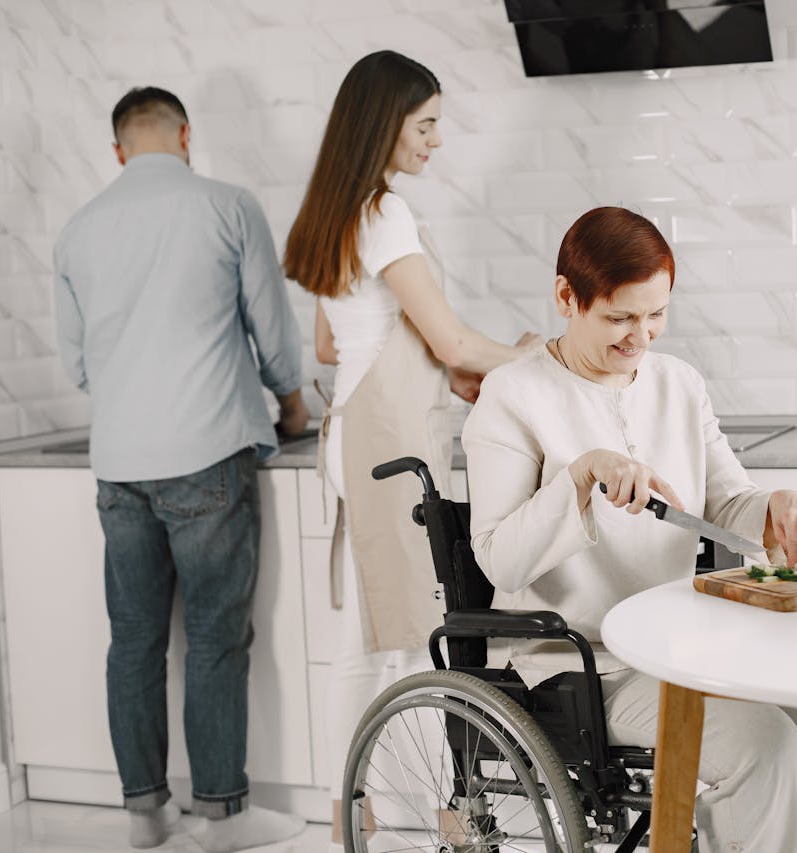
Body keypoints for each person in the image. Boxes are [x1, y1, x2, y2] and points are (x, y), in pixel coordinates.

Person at [460, 207, 797, 853]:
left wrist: (776, 506)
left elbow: (727, 499)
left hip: (681, 645)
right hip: (584, 664)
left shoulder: (678, 383)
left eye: (657, 314)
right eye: (620, 317)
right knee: (765, 747)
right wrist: (581, 475)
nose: (641, 336)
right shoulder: (513, 396)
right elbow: (502, 563)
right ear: (567, 297)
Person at [281, 51, 539, 852]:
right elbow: (449, 335)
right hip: (385, 438)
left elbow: (331, 344)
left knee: (370, 635)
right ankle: (450, 817)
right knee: (418, 627)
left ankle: (348, 811)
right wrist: (543, 357)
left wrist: (448, 368)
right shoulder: (384, 212)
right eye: (424, 123)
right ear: (382, 124)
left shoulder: (336, 208)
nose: (436, 139)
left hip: (353, 432)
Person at [53, 87, 308, 852]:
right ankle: (223, 815)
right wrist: (292, 407)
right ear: (186, 135)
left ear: (119, 149)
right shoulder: (228, 205)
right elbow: (274, 329)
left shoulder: (77, 230)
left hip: (119, 466)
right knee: (214, 635)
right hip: (206, 453)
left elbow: (77, 364)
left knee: (132, 640)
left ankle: (146, 815)